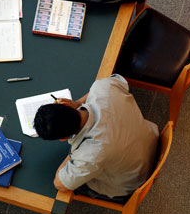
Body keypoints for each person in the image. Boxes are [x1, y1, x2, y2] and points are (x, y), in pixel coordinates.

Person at [33, 74, 159, 204]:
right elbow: (119, 80)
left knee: (76, 185)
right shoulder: (103, 87)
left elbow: (59, 184)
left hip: (132, 181)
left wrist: (74, 153)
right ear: (65, 104)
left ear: (64, 138)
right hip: (150, 140)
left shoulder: (90, 154)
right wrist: (78, 103)